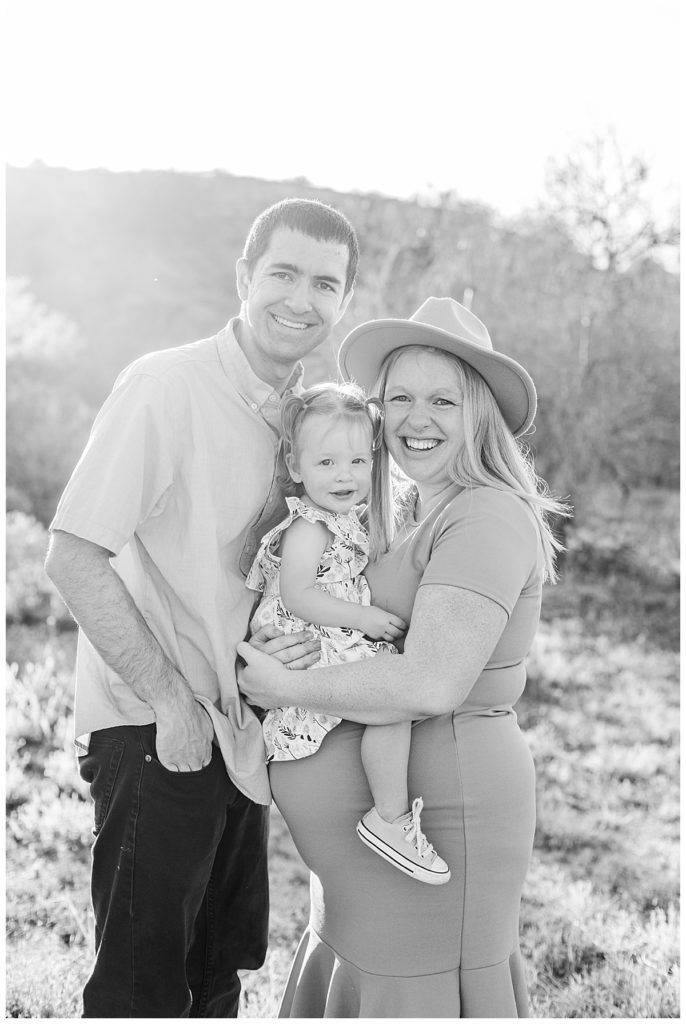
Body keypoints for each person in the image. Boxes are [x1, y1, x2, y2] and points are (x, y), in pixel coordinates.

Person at [43, 197, 359, 1018]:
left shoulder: (309, 420)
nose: (301, 298)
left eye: (324, 283)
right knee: (143, 992)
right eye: (283, 273)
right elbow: (73, 555)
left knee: (218, 975)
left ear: (344, 302)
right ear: (244, 277)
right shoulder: (165, 387)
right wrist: (169, 705)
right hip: (159, 726)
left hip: (242, 734)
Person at [238, 296, 569, 1018]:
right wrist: (280, 637)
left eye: (443, 400)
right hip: (361, 874)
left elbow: (430, 681)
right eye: (401, 399)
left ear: (478, 412)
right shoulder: (414, 509)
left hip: (440, 826)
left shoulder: (484, 514)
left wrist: (284, 682)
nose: (418, 419)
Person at [245, 382, 450, 885]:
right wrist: (363, 619)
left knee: (390, 709)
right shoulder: (309, 526)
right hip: (316, 637)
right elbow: (296, 594)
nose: (345, 476)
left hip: (333, 634)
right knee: (391, 702)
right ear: (296, 467)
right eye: (327, 463)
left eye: (358, 462)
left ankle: (389, 814)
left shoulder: (351, 518)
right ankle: (391, 817)